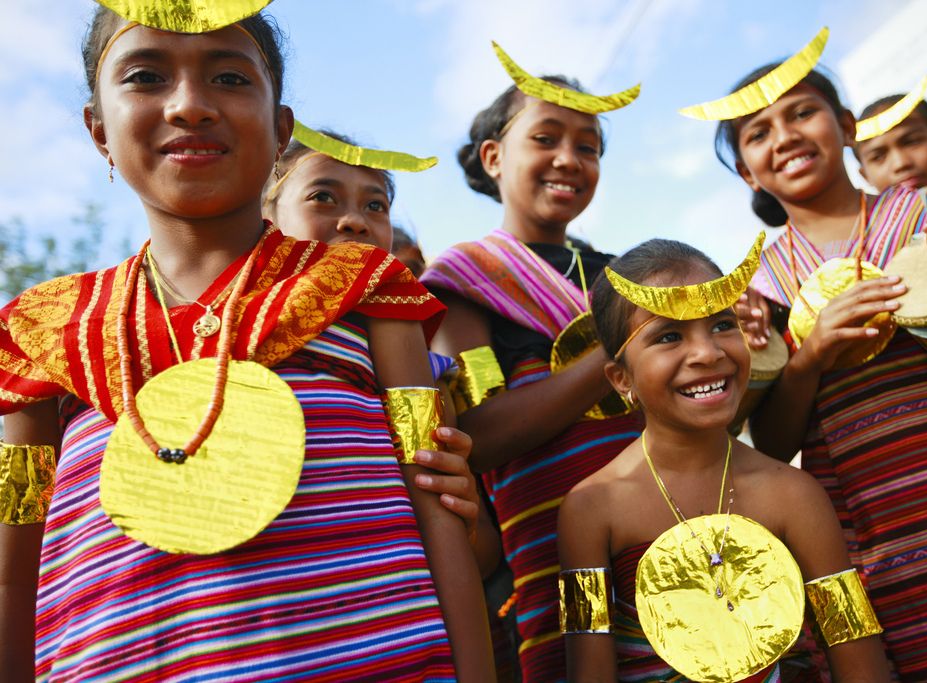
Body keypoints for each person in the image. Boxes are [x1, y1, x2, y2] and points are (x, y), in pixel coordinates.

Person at [0, 4, 495, 681]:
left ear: (278, 126)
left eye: (230, 78)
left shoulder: (367, 290)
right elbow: (10, 573)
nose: (190, 105)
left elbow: (439, 513)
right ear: (98, 131)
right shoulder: (43, 329)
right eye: (145, 75)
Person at [680, 27, 927, 681]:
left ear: (844, 126)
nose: (783, 136)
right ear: (748, 171)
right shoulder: (752, 292)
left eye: (802, 112)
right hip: (891, 545)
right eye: (756, 133)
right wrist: (809, 358)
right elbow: (771, 445)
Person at [558, 236, 889, 682]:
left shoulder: (794, 495)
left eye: (721, 325)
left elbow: (858, 661)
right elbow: (589, 673)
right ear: (621, 379)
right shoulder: (591, 509)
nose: (708, 353)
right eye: (669, 336)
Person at [421, 43, 644, 682]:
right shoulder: (466, 283)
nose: (569, 160)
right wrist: (618, 348)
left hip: (675, 523)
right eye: (546, 138)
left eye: (590, 147)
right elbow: (477, 435)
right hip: (556, 559)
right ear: (494, 156)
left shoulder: (624, 276)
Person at [262, 128, 519, 680]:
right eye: (323, 197)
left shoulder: (421, 373)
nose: (354, 219)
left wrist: (464, 510)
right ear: (266, 215)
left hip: (396, 634)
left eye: (374, 204)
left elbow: (476, 554)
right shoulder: (229, 342)